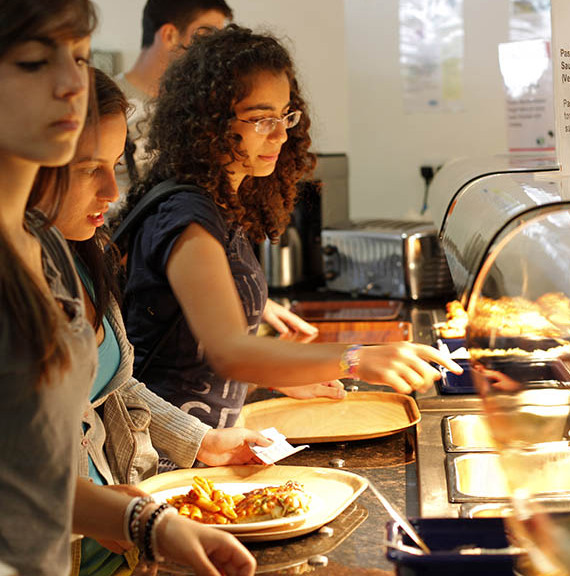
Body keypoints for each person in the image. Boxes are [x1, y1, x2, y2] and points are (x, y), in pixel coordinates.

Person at [0, 2, 255, 575]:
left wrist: (141, 521)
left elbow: (9, 475)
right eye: (33, 62)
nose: (71, 86)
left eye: (78, 57)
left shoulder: (44, 243)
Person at [119, 26, 462, 429]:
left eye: (285, 115)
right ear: (207, 123)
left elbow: (195, 355)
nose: (281, 134)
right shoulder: (186, 216)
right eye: (261, 119)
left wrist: (281, 375)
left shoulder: (221, 205)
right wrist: (355, 358)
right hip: (168, 451)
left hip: (212, 442)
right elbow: (229, 352)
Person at [37, 67, 270, 576]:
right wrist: (350, 359)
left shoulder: (84, 255)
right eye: (89, 168)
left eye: (115, 165)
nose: (111, 190)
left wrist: (201, 441)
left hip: (121, 545)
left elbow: (115, 388)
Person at [114, 0, 234, 203]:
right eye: (206, 36)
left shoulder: (202, 109)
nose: (214, 50)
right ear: (169, 35)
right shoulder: (105, 101)